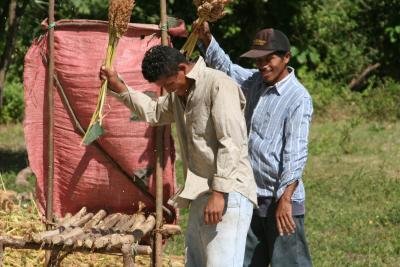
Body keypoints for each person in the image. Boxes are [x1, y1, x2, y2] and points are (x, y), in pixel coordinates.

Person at [100, 45, 257, 267]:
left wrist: (219, 193)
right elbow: (154, 112)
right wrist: (119, 86)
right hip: (202, 191)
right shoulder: (180, 94)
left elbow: (231, 142)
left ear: (182, 68)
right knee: (194, 262)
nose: (170, 90)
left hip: (229, 192)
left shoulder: (218, 84)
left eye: (170, 84)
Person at [196, 22, 313, 267]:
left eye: (269, 59)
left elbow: (296, 152)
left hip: (280, 200)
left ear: (286, 57)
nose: (263, 66)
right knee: (245, 262)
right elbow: (226, 68)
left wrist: (285, 200)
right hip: (250, 195)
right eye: (258, 60)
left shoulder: (298, 98)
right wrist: (207, 39)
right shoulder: (254, 82)